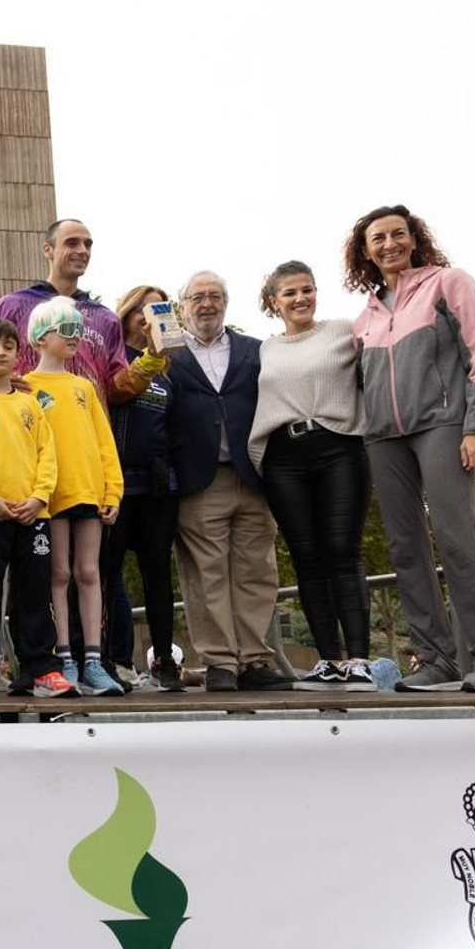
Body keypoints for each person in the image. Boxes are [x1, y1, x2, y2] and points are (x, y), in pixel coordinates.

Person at [344, 205, 475, 692]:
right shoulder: (365, 316)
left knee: (457, 538)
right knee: (405, 550)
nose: (388, 244)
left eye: (397, 234)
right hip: (383, 437)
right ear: (365, 250)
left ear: (413, 238)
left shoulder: (449, 283)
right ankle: (437, 660)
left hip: (443, 425)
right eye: (377, 238)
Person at [246, 260, 373, 691]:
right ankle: (329, 661)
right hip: (284, 456)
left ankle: (359, 659)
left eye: (307, 290)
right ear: (273, 301)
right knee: (307, 557)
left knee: (342, 549)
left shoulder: (343, 330)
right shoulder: (265, 349)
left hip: (338, 446)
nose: (300, 299)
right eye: (290, 293)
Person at [169, 271, 290, 692]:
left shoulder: (255, 351)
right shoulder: (166, 355)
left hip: (252, 475)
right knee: (206, 576)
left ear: (226, 303)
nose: (207, 304)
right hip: (198, 480)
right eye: (197, 296)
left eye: (215, 296)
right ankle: (220, 662)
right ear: (183, 305)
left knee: (257, 571)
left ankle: (256, 660)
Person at [0, 317, 75, 699]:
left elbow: (47, 455)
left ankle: (42, 670)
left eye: (7, 345)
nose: (0, 352)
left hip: (33, 516)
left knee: (35, 593)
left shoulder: (30, 405)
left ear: (19, 353)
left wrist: (39, 497)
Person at [23, 297, 125, 695]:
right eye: (64, 330)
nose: (73, 338)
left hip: (88, 489)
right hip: (48, 494)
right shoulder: (26, 388)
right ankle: (63, 656)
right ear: (39, 337)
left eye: (76, 330)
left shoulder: (84, 387)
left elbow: (104, 443)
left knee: (89, 572)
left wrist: (112, 489)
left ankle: (94, 661)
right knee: (58, 572)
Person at [0, 219, 166, 407]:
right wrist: (0, 378)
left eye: (88, 245)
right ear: (48, 250)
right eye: (72, 243)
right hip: (26, 424)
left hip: (84, 428)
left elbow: (115, 389)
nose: (83, 250)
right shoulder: (13, 305)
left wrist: (151, 359)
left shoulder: (105, 318)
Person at [104, 286, 184, 692]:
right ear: (129, 312)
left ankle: (165, 659)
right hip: (118, 482)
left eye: (160, 307)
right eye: (144, 307)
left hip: (157, 484)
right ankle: (106, 659)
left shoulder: (171, 368)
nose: (149, 315)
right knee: (106, 572)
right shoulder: (114, 359)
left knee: (157, 573)